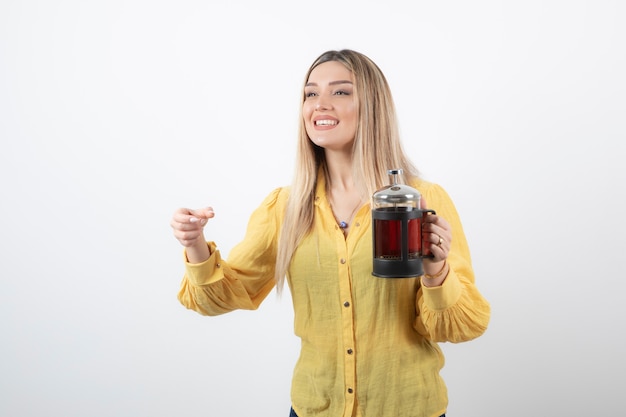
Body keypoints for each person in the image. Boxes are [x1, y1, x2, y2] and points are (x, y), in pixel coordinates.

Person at [170, 49, 491, 417]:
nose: (320, 104)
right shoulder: (285, 208)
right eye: (310, 93)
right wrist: (194, 245)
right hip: (313, 408)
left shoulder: (422, 201)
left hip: (406, 407)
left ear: (371, 106)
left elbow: (462, 326)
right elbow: (223, 297)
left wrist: (437, 272)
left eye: (340, 92)